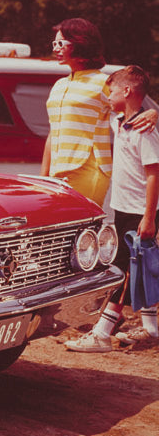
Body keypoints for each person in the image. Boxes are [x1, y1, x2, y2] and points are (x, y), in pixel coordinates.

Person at [66, 65, 159, 352]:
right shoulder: (119, 122)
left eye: (112, 92)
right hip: (123, 208)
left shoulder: (146, 130)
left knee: (123, 268)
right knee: (141, 267)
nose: (108, 97)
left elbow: (154, 173)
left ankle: (102, 333)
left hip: (138, 211)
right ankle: (151, 329)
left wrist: (149, 217)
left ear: (128, 92)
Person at [40, 18, 156, 206]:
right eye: (54, 43)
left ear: (80, 44)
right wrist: (43, 176)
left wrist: (153, 114)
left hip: (89, 170)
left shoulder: (102, 82)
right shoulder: (59, 85)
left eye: (61, 43)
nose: (55, 48)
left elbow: (135, 104)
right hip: (57, 172)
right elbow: (53, 132)